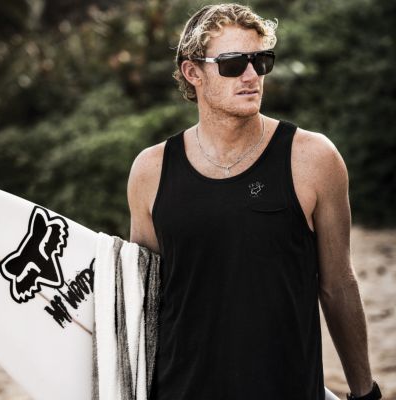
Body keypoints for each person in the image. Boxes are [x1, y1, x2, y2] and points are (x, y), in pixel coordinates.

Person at [127, 3, 381, 400]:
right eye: (232, 64)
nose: (251, 76)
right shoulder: (151, 170)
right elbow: (142, 296)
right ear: (193, 72)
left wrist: (365, 392)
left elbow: (338, 285)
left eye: (260, 61)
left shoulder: (313, 160)